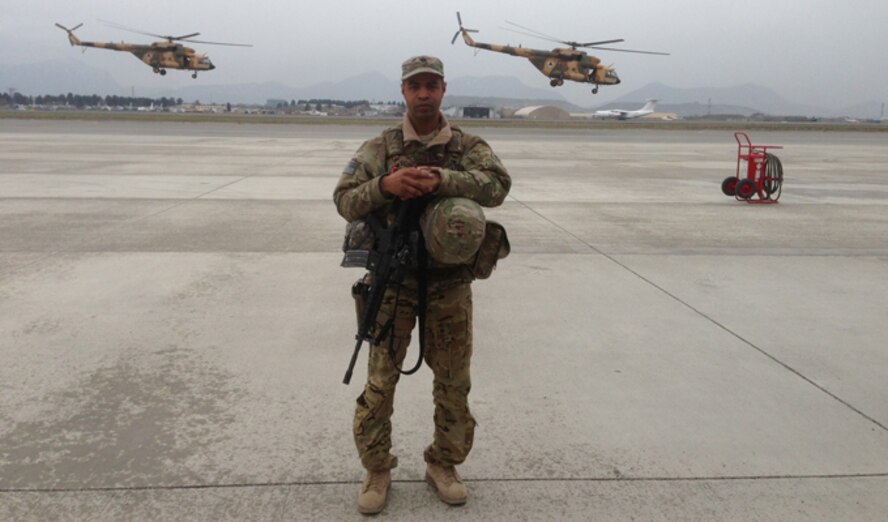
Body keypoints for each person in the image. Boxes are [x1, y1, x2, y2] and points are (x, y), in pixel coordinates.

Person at [333, 55, 511, 515]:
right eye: (416, 86)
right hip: (393, 281)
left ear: (444, 89)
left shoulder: (467, 145)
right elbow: (344, 199)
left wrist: (442, 179)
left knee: (453, 382)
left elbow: (498, 186)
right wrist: (387, 186)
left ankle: (443, 464)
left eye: (432, 85)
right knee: (380, 381)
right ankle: (377, 468)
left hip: (450, 284)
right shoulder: (382, 148)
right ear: (404, 92)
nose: (425, 93)